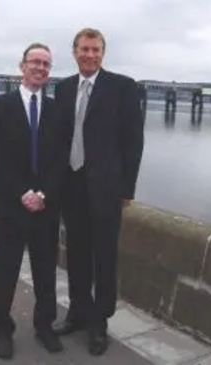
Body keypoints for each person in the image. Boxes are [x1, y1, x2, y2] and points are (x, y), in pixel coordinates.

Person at [54, 28, 144, 356]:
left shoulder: (122, 87)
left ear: (103, 52)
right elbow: (59, 137)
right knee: (75, 253)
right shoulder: (63, 88)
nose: (89, 55)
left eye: (95, 49)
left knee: (104, 257)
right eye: (84, 49)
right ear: (74, 51)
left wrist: (127, 187)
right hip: (71, 185)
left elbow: (133, 141)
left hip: (105, 187)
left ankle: (99, 323)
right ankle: (77, 312)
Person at [0, 43, 63, 360]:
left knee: (46, 271)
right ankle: (3, 330)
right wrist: (23, 193)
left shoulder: (58, 110)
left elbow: (59, 160)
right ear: (22, 65)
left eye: (46, 64)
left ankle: (44, 326)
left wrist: (43, 193)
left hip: (46, 206)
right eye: (35, 62)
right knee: (5, 270)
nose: (41, 68)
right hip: (11, 202)